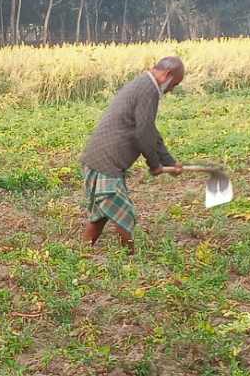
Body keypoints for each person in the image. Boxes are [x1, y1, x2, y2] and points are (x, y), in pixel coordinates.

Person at [80, 56, 186, 253]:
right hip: (106, 162)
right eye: (175, 84)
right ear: (167, 75)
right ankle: (130, 259)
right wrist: (154, 165)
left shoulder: (143, 84)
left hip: (100, 159)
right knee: (123, 213)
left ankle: (81, 254)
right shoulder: (149, 90)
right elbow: (143, 133)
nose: (173, 89)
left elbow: (150, 130)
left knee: (102, 214)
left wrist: (168, 161)